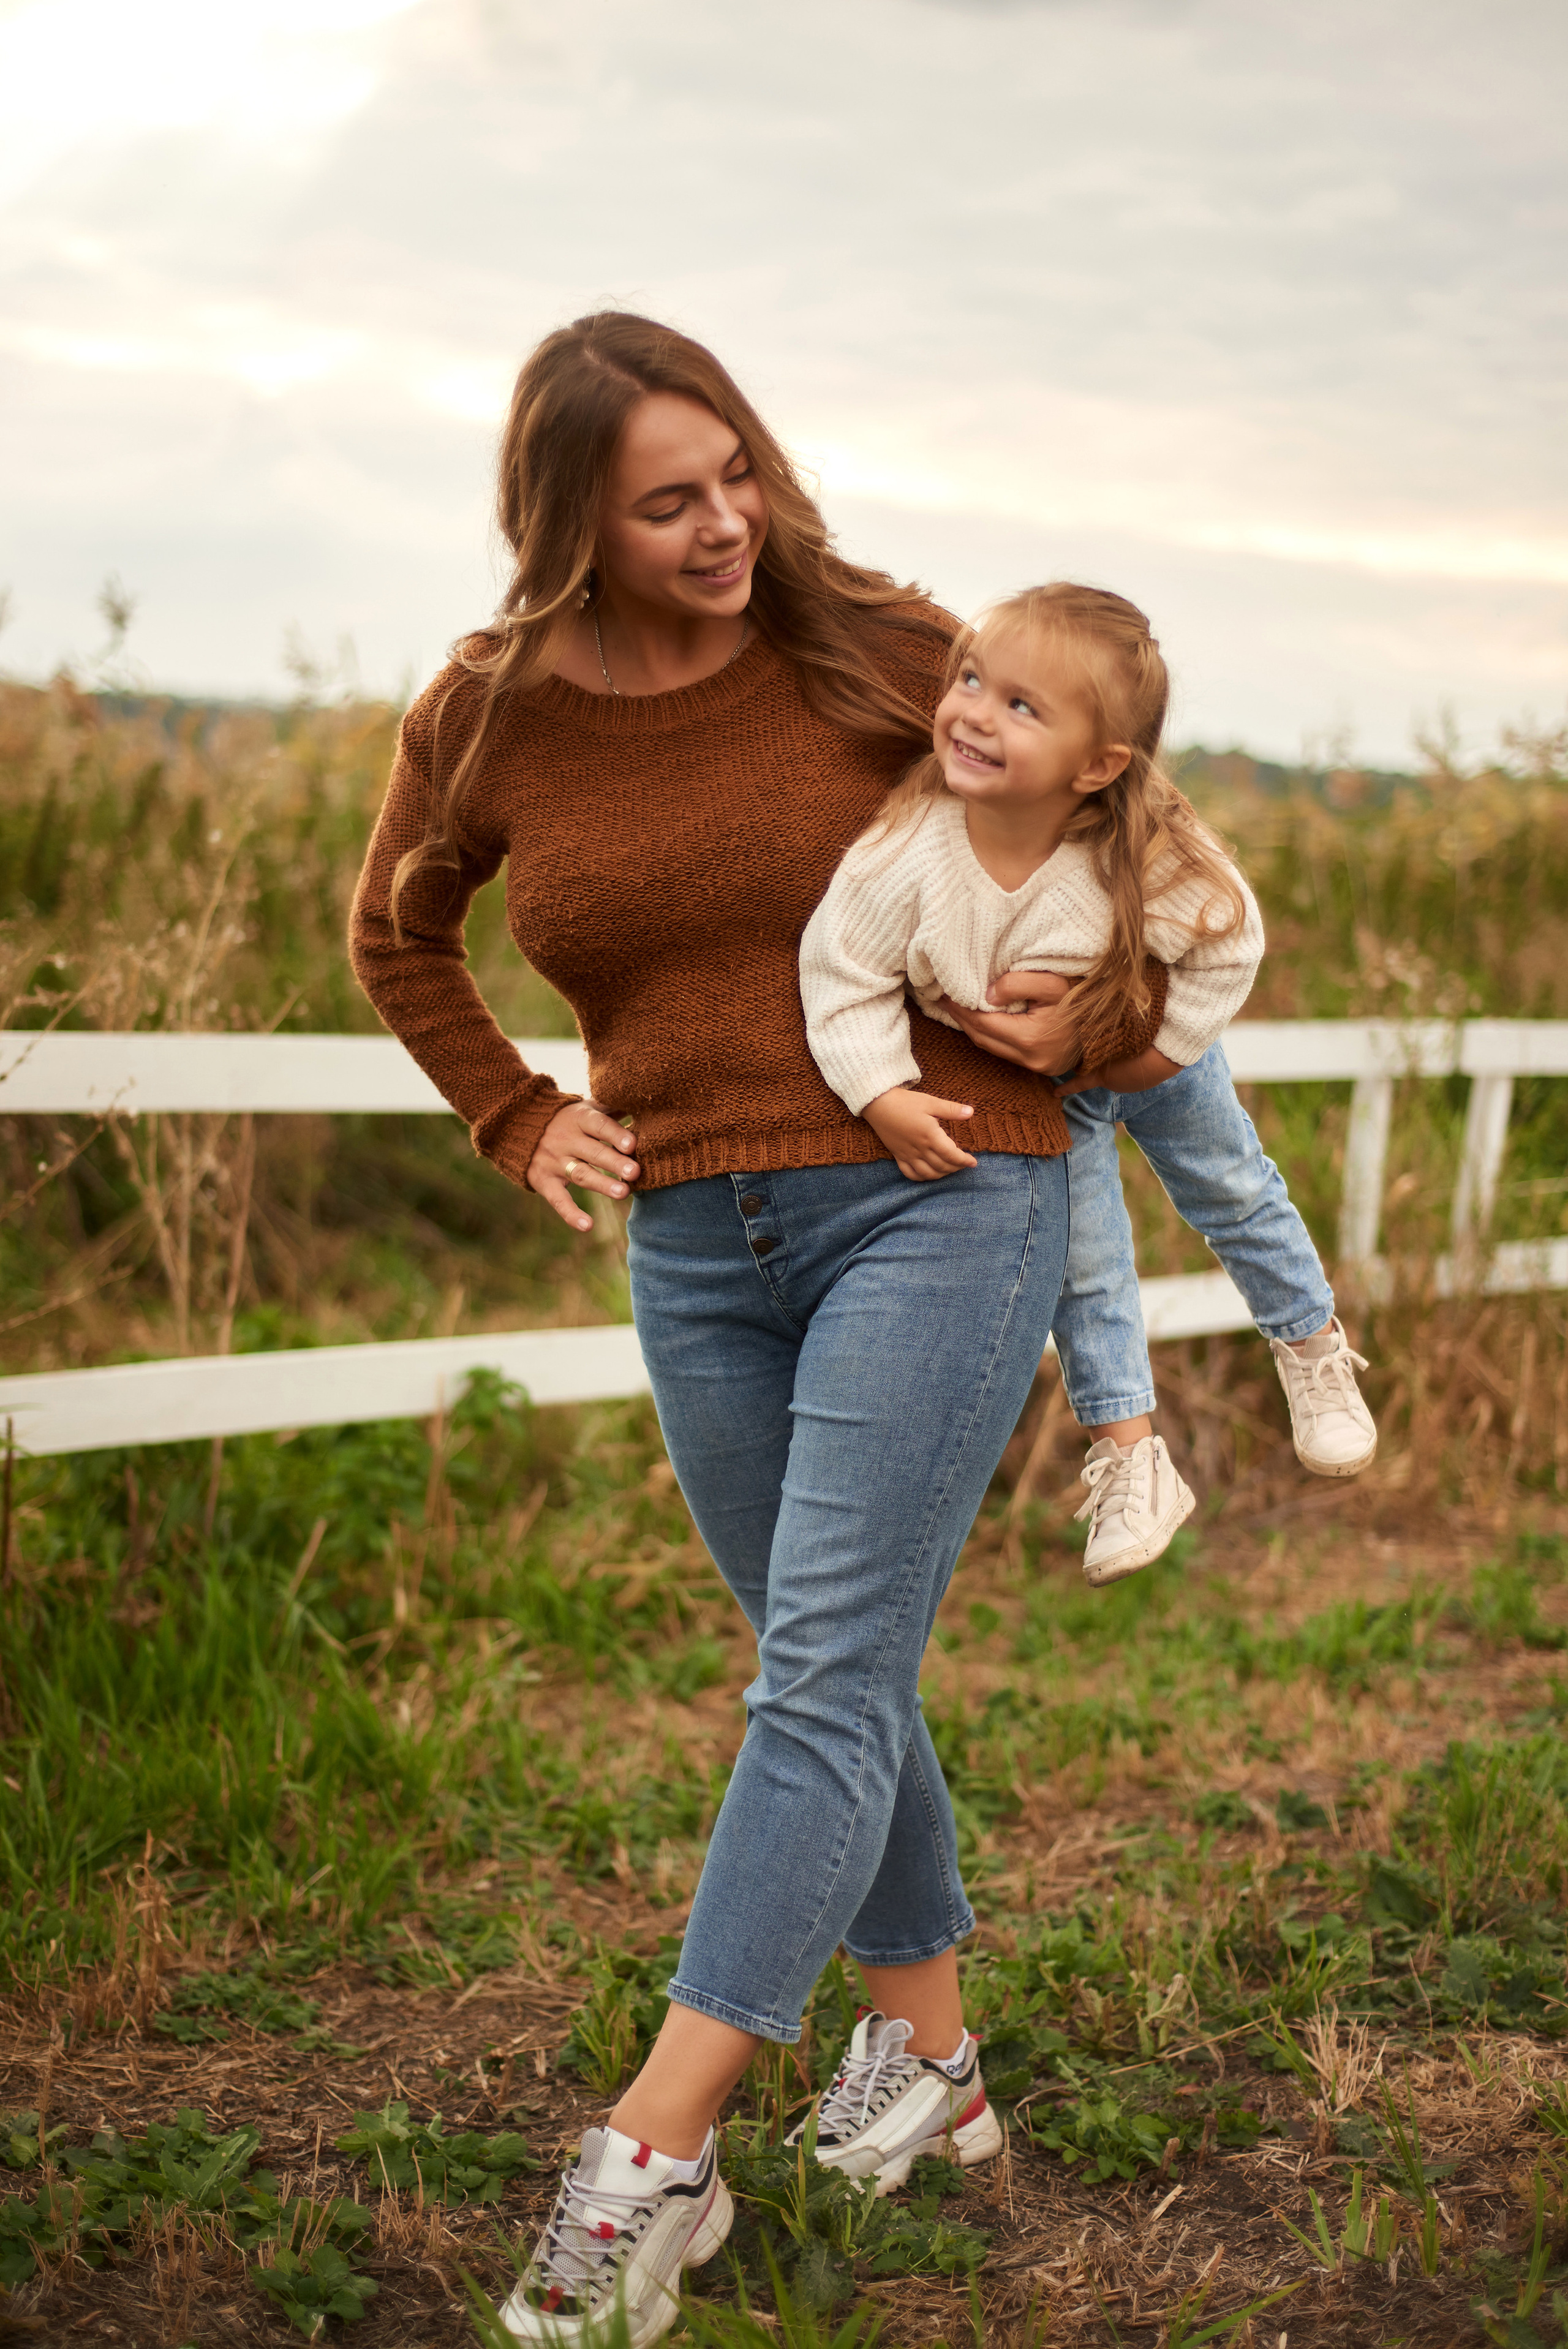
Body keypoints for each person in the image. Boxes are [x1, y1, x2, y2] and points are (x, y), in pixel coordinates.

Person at [349, 316, 1164, 2347]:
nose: (728, 523)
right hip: (695, 1240)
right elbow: (396, 923)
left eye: (741, 475)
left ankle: (655, 2156)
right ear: (571, 524)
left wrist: (1099, 991)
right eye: (668, 500)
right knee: (835, 1664)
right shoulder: (487, 706)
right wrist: (516, 1103)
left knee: (815, 1675)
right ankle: (936, 2061)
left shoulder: (876, 644)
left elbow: (1122, 824)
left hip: (941, 1195)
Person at [800, 583, 1378, 1586]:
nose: (977, 710)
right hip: (1043, 1085)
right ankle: (1130, 1457)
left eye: (1023, 706)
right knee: (1083, 1252)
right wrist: (881, 1093)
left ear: (1099, 764)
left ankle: (1312, 1347)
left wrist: (1151, 1057)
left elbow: (1230, 940)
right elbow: (840, 968)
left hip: (1144, 1048)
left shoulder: (1139, 850)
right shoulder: (909, 848)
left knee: (1231, 1186)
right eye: (973, 679)